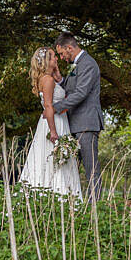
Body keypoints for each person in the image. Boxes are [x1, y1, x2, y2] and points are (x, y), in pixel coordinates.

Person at [20, 46, 82, 199]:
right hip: (54, 123)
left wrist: (59, 76)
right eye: (54, 56)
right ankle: (59, 196)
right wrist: (53, 132)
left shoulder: (50, 78)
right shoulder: (47, 80)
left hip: (60, 121)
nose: (56, 59)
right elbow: (48, 106)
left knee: (57, 159)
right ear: (47, 61)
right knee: (53, 159)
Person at [49, 31, 104, 202]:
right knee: (74, 169)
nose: (62, 57)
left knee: (91, 168)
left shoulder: (88, 63)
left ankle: (96, 208)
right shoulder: (77, 64)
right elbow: (72, 88)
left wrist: (55, 108)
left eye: (61, 53)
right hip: (75, 124)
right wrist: (60, 80)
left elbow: (80, 93)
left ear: (69, 48)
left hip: (86, 124)